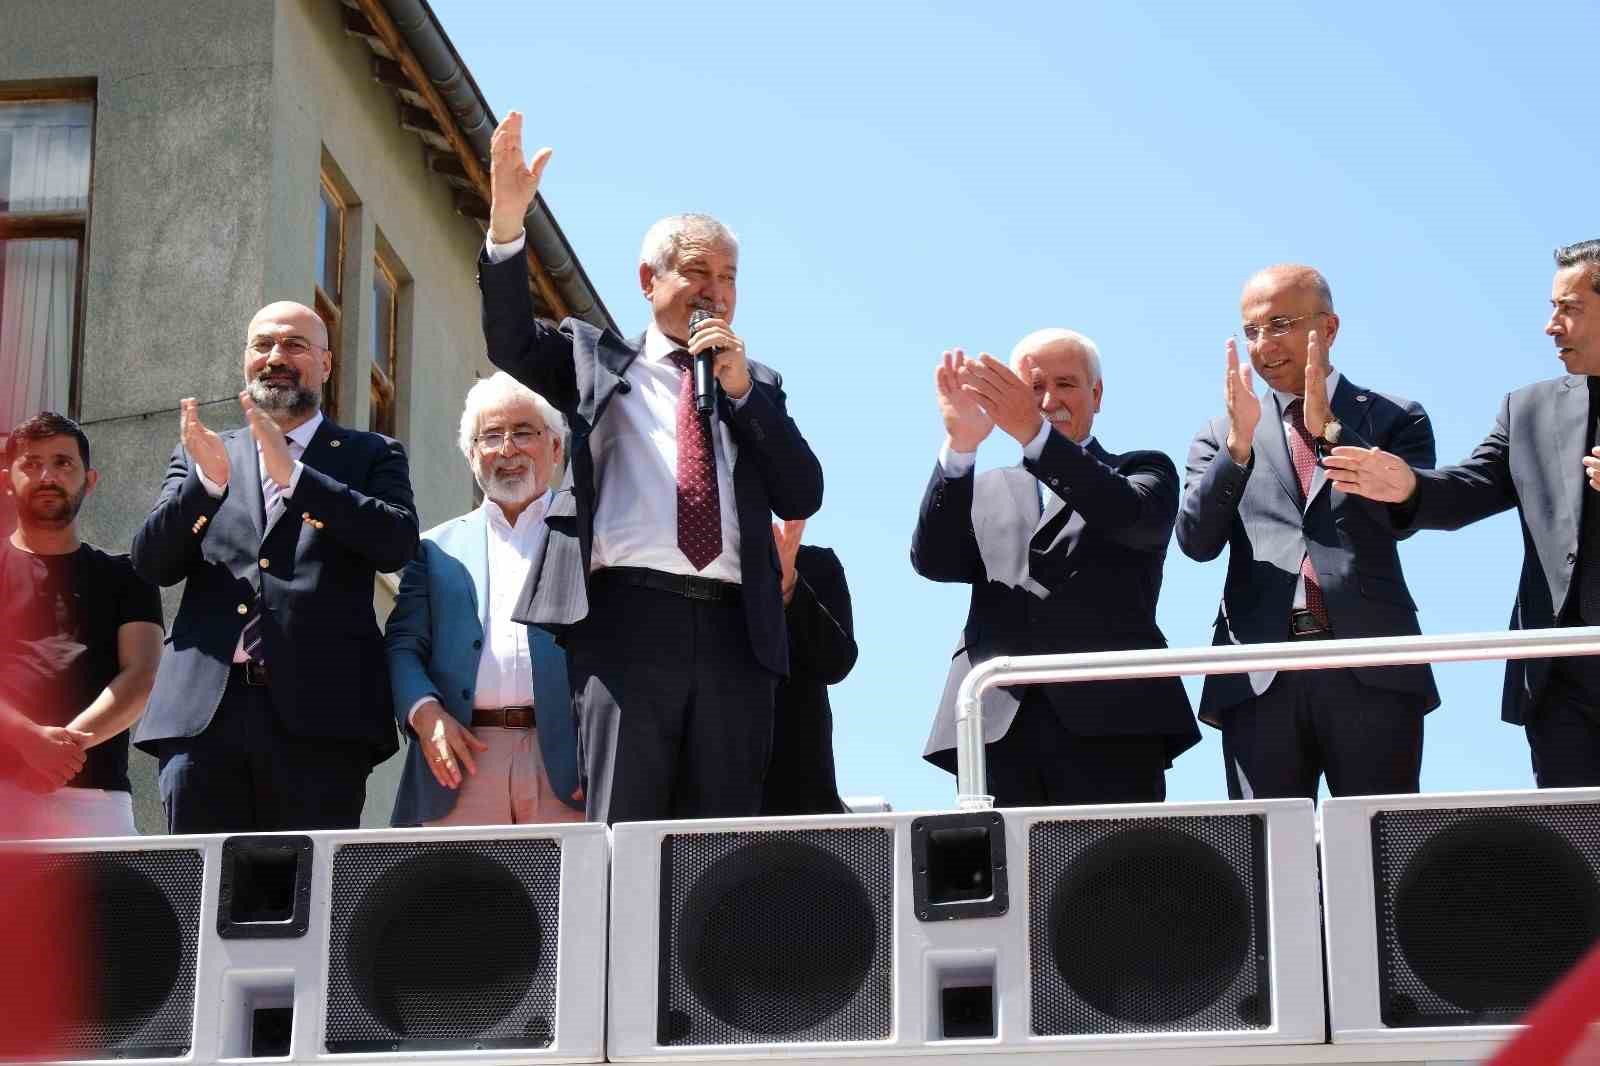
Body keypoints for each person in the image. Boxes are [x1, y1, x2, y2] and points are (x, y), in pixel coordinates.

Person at [477, 113, 823, 824]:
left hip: (736, 633)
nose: (716, 291)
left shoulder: (753, 383)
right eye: (698, 271)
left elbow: (802, 490)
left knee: (719, 841)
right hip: (627, 624)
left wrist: (741, 392)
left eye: (729, 277)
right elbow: (512, 340)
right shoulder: (597, 360)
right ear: (649, 279)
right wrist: (507, 228)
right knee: (626, 832)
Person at [131, 301, 418, 833]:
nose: (275, 358)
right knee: (201, 901)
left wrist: (299, 479)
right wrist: (206, 486)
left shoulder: (372, 454)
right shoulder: (204, 452)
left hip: (322, 723)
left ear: (327, 365)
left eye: (294, 345)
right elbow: (153, 562)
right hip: (204, 721)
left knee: (304, 907)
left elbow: (397, 544)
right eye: (262, 345)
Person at [1325, 240, 1600, 787]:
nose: (1551, 325)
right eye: (1553, 308)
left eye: (1568, 308)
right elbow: (1468, 489)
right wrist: (1406, 485)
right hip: (1559, 677)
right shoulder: (1528, 409)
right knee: (1580, 859)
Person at [1177, 265, 1437, 801]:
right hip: (1258, 675)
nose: (1263, 344)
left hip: (1371, 667)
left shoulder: (1396, 418)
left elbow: (1401, 516)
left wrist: (1330, 433)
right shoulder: (1221, 434)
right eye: (1251, 331)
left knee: (1376, 857)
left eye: (1279, 324)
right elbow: (1196, 542)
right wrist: (1238, 450)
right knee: (1271, 865)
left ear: (1330, 328)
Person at [913, 330, 1199, 806]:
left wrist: (1035, 436)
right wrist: (960, 447)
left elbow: (1130, 518)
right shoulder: (981, 487)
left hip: (1115, 722)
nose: (1049, 400)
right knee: (1004, 878)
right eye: (1034, 387)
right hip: (997, 724)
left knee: (1114, 877)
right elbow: (934, 561)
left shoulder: (1144, 470)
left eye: (1066, 384)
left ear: (1097, 394)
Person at [386, 373, 584, 826]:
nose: (507, 449)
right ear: (472, 455)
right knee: (462, 897)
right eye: (491, 436)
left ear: (556, 449)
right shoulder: (434, 548)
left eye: (524, 432)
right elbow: (403, 645)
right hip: (461, 761)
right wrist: (425, 713)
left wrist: (605, 744)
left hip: (568, 761)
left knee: (571, 897)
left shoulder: (593, 542)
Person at [0, 413, 162, 838]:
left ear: (89, 480)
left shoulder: (128, 574)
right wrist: (28, 740)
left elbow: (142, 675)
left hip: (98, 800)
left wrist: (64, 748)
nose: (47, 475)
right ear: (7, 479)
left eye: (63, 463)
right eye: (31, 463)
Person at [761, 519, 857, 816]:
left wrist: (789, 585)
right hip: (708, 794)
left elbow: (835, 662)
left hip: (795, 800)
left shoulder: (815, 564)